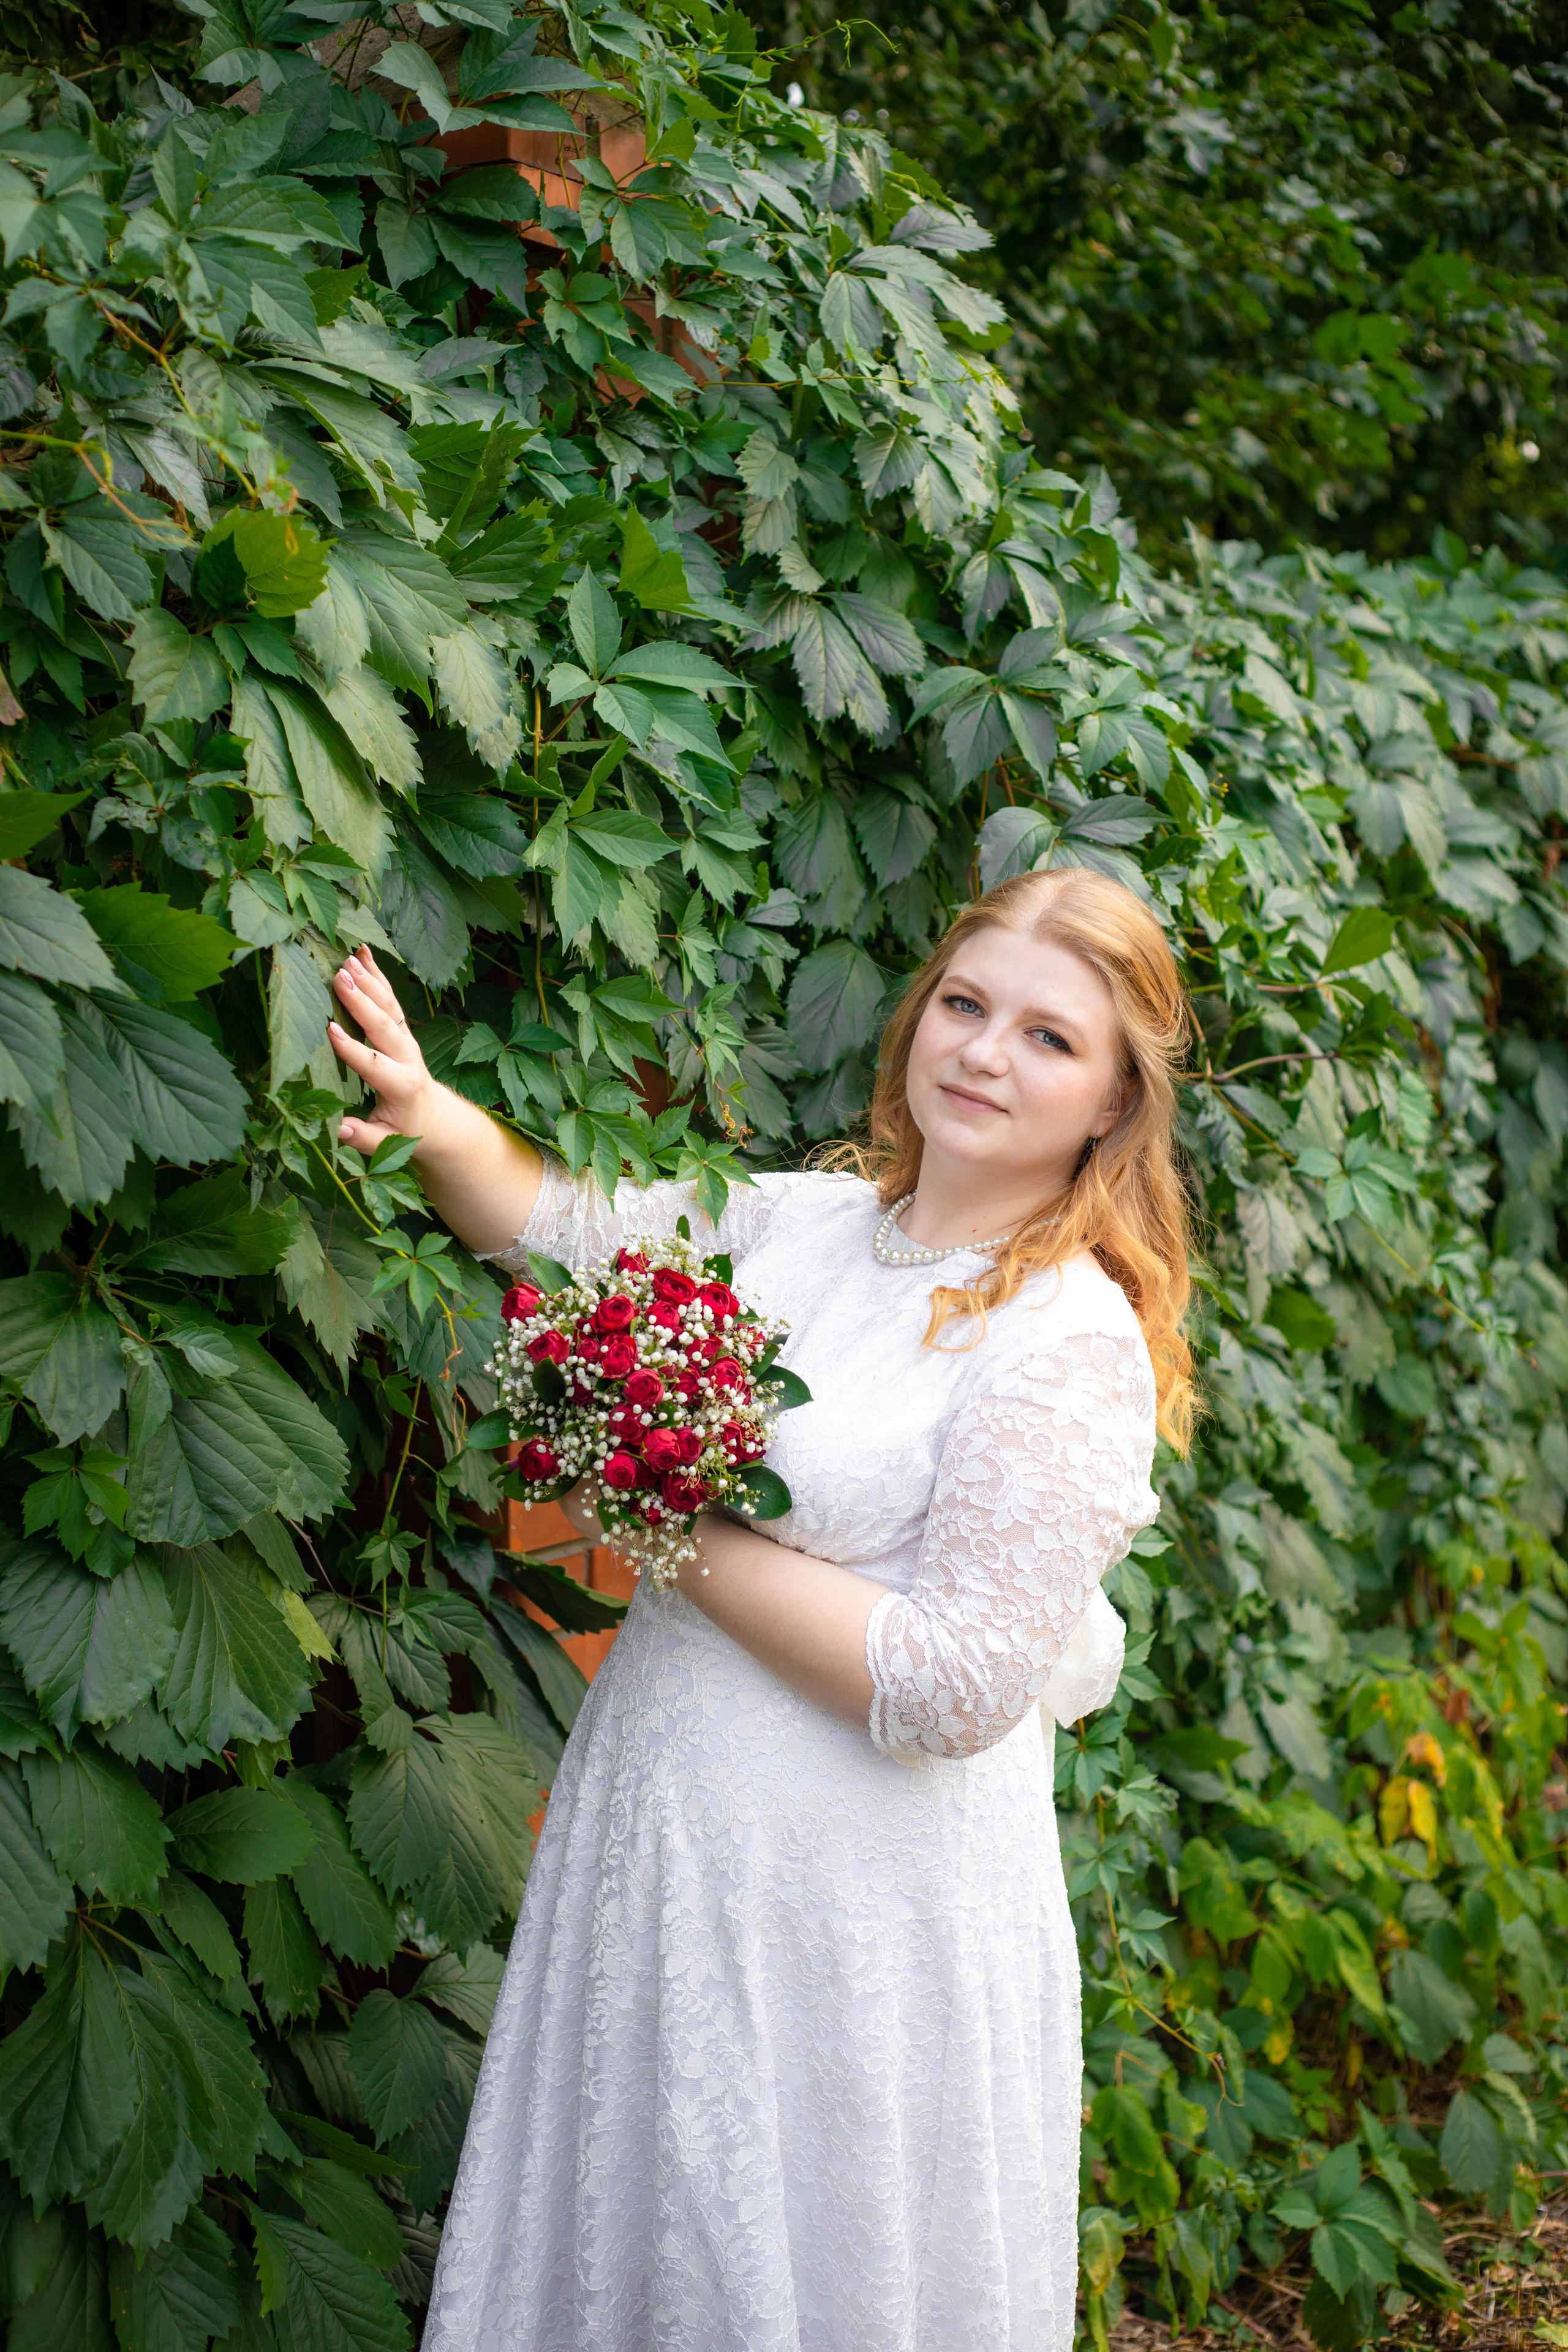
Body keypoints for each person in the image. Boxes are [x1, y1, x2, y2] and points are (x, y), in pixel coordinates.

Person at [326, 865, 1194, 2352]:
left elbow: (950, 1686)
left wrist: (664, 1533)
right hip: (662, 1860)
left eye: (1051, 1038)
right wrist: (429, 1115)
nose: (985, 1053)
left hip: (856, 1927)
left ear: (1115, 1102)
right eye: (966, 1006)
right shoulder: (791, 1224)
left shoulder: (1064, 1336)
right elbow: (557, 1227)